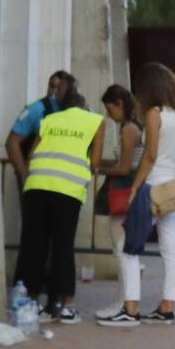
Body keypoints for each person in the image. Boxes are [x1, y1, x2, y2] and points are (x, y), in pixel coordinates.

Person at [11, 92, 107, 324]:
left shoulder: (50, 119)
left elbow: (33, 153)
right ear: (85, 106)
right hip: (67, 189)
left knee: (35, 245)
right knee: (63, 245)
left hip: (37, 185)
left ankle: (32, 303)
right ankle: (66, 306)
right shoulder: (95, 120)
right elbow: (94, 161)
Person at [116, 63, 175, 326]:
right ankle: (166, 306)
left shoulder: (154, 113)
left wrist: (135, 187)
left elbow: (149, 156)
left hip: (154, 184)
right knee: (170, 245)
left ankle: (131, 306)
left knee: (129, 245)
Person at [93, 86, 146, 327]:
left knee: (120, 250)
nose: (108, 113)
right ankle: (123, 299)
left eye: (109, 107)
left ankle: (124, 301)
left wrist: (99, 169)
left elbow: (124, 168)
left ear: (119, 103)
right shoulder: (134, 128)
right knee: (120, 249)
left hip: (122, 190)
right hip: (125, 190)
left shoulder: (128, 129)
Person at [4, 70, 75, 188]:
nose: (55, 91)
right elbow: (12, 142)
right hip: (36, 181)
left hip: (64, 182)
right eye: (52, 86)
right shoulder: (36, 109)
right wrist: (25, 175)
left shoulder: (78, 111)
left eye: (59, 88)